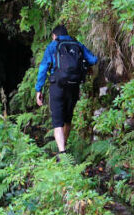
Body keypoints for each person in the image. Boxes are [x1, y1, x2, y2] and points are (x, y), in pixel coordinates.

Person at [35, 25, 98, 153]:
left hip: (57, 86)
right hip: (74, 86)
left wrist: (38, 90)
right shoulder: (77, 44)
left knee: (57, 121)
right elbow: (93, 59)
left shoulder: (53, 46)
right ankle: (65, 146)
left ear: (54, 35)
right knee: (67, 118)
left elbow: (43, 69)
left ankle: (62, 153)